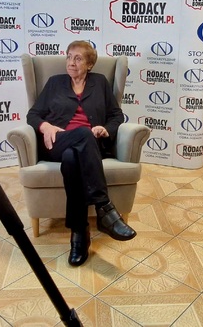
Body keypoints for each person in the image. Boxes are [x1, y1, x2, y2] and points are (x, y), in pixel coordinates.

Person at [26, 40, 136, 267]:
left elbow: (116, 116)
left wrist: (105, 129)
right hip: (57, 142)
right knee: (83, 135)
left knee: (72, 158)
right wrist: (45, 127)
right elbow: (33, 115)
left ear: (90, 64)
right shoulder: (55, 82)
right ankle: (105, 209)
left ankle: (79, 235)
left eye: (78, 58)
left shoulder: (100, 82)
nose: (71, 62)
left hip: (89, 149)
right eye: (69, 57)